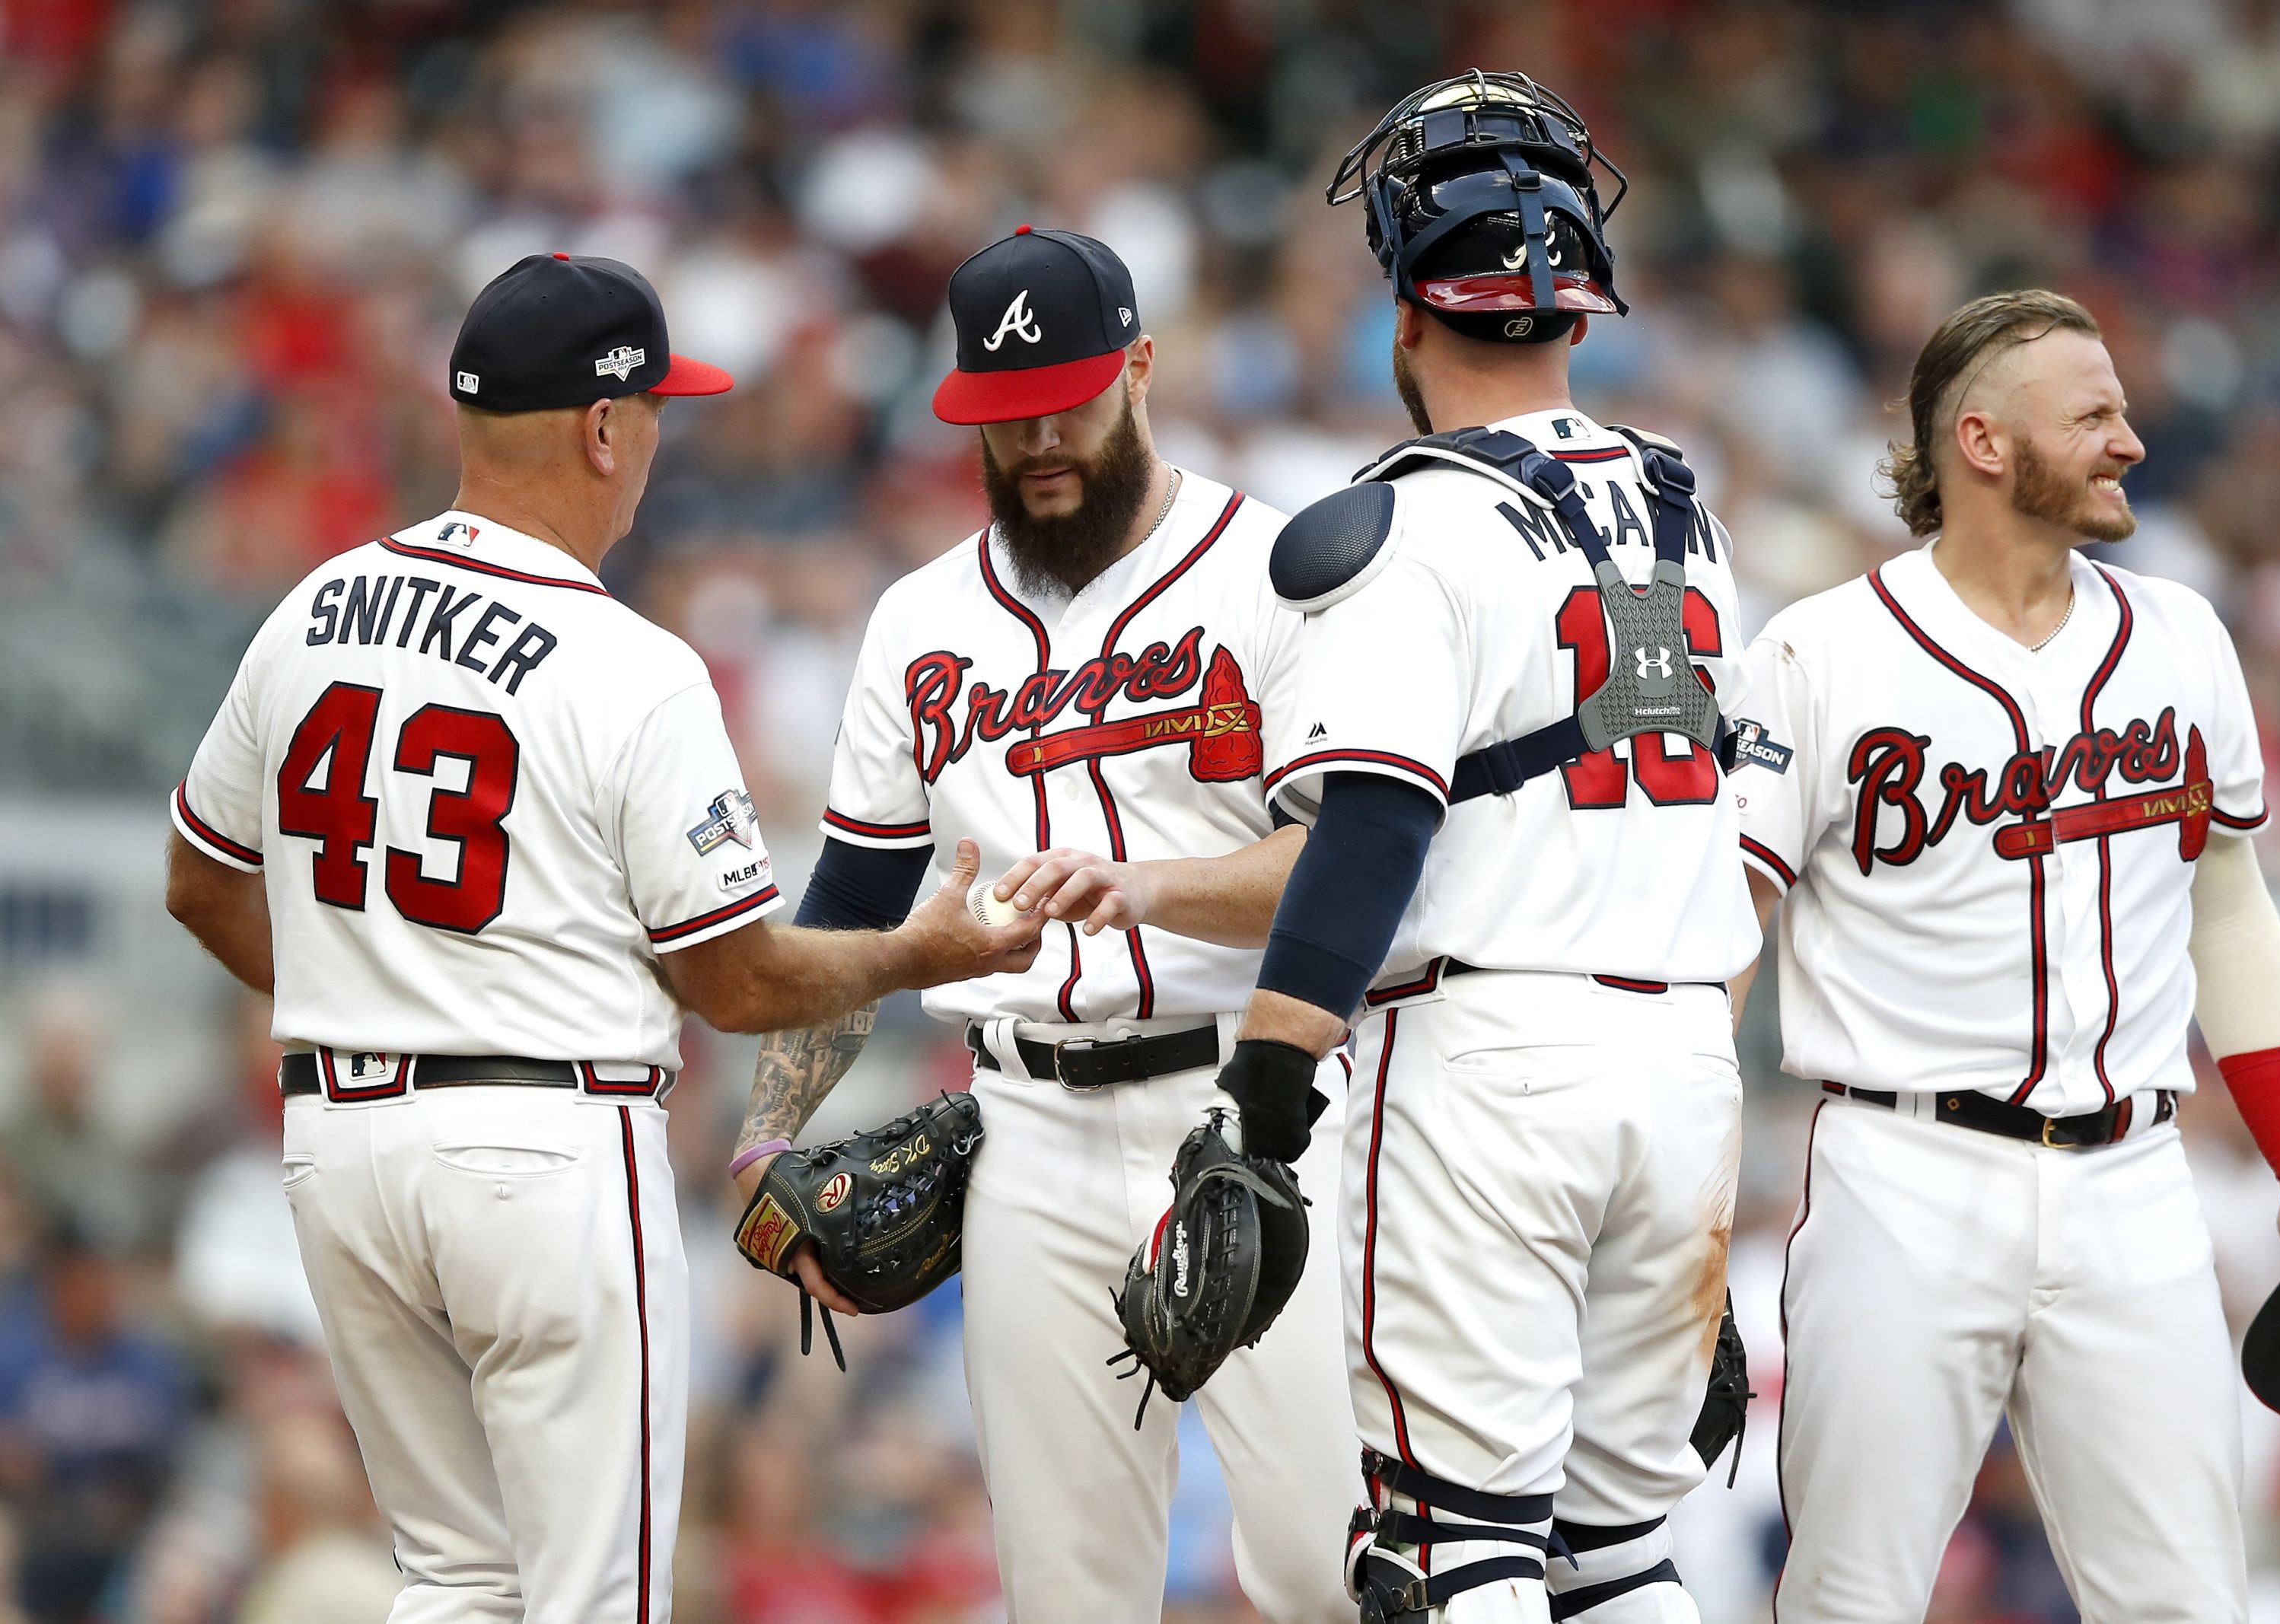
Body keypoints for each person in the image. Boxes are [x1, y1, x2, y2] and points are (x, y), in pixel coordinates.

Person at [161, 251, 1037, 1624]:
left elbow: (200, 882)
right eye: (654, 417)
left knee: (454, 1578)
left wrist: (392, 988)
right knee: (593, 1598)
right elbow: (735, 978)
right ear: (602, 425)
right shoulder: (630, 662)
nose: (654, 451)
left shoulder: (310, 613)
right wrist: (920, 953)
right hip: (542, 1149)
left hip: (341, 1146)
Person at [729, 225, 1358, 1622]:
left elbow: (1359, 854)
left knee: (1336, 1563)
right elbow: (853, 902)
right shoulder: (917, 620)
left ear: (1139, 368)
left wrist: (1163, 887)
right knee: (1069, 1592)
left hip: (1258, 1103)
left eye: (1066, 401)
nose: (1039, 441)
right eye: (1005, 419)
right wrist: (770, 1130)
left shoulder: (1274, 574)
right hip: (1026, 1129)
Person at [1729, 288, 2280, 1621]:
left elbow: (2229, 901)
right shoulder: (1820, 650)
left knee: (2189, 1598)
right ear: (1982, 442)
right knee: (1855, 1592)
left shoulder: (2181, 634)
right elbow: (1730, 918)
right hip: (1905, 1172)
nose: (2130, 440)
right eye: (2093, 414)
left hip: (2137, 1174)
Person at [1216, 74, 1754, 1621]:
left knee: (1455, 1551)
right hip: (1677, 1062)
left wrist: (1261, 1092)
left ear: (1403, 314)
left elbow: (1375, 826)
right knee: (1619, 1555)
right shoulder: (1668, 510)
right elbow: (1670, 787)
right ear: (1579, 311)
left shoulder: (1406, 528)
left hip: (1490, 1057)